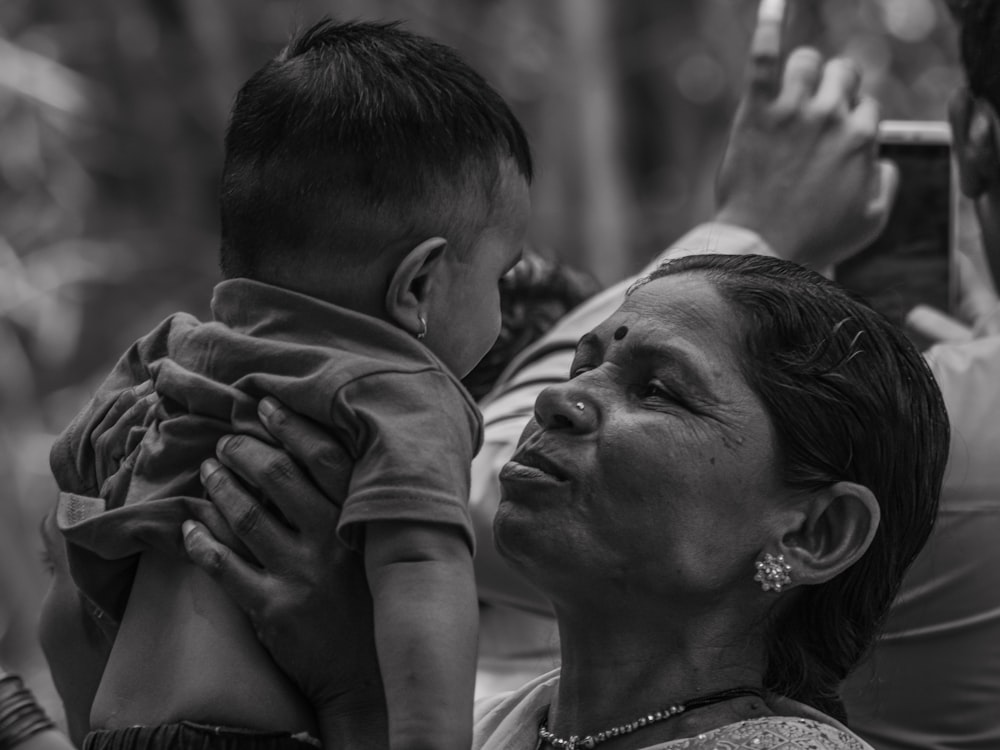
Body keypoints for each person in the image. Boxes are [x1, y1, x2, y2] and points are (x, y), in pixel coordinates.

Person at [177, 250, 950, 750]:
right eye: (583, 366)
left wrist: (357, 698)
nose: (558, 401)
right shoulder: (507, 727)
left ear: (815, 531)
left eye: (658, 389)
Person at [47, 19, 531, 750]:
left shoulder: (166, 366)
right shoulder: (400, 388)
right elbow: (420, 565)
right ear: (420, 284)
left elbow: (70, 554)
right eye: (501, 277)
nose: (504, 300)